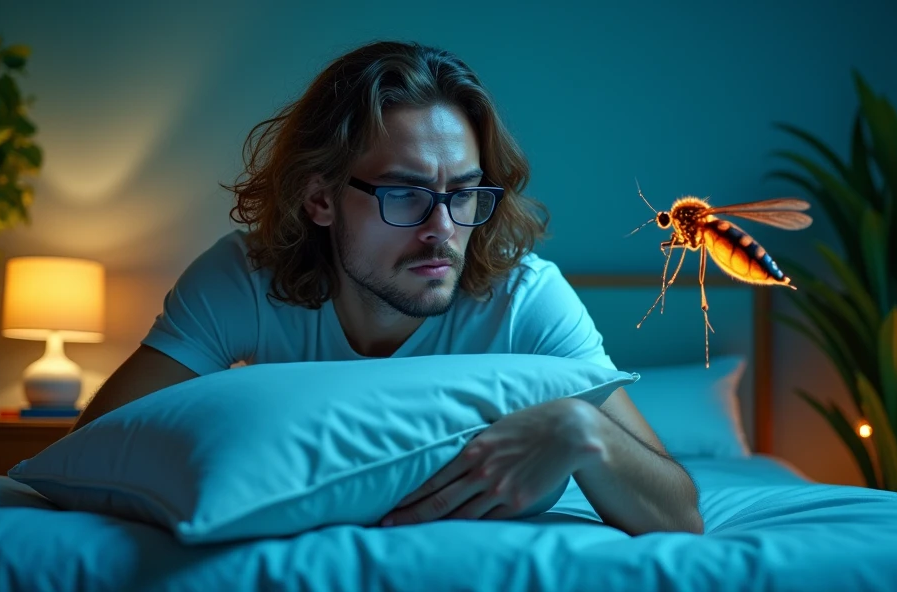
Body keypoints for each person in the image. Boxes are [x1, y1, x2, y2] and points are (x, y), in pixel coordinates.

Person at [71, 40, 703, 536]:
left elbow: (680, 517)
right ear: (320, 198)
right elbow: (90, 449)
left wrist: (578, 431)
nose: (443, 230)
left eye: (463, 193)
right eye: (405, 193)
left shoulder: (524, 298)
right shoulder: (245, 279)